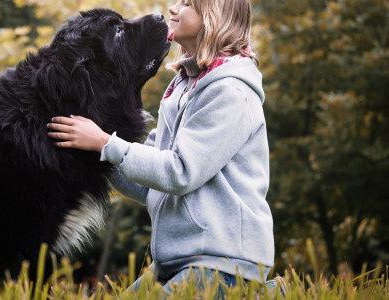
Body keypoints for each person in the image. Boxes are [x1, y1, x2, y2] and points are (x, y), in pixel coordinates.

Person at [47, 0, 283, 296]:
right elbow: (153, 185)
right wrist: (93, 155)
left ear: (214, 18)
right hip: (174, 261)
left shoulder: (230, 92)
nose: (172, 8)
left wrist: (106, 143)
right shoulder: (183, 87)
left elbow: (179, 172)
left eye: (186, 3)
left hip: (222, 264)